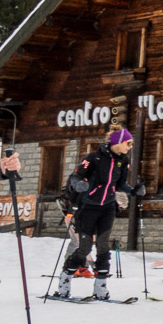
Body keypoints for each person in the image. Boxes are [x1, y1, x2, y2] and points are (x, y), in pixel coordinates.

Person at [53, 128, 140, 300]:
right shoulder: (94, 157)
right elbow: (75, 177)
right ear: (118, 142)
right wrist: (78, 185)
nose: (130, 147)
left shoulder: (123, 160)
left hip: (108, 207)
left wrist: (133, 190)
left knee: (103, 247)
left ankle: (100, 287)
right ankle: (64, 282)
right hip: (88, 207)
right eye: (128, 143)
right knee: (84, 248)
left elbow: (120, 184)